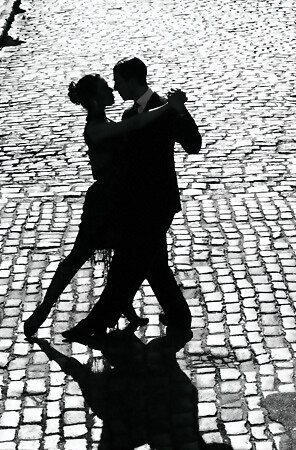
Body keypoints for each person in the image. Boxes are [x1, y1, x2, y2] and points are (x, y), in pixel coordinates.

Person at [24, 73, 188, 339]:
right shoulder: (96, 128)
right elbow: (134, 126)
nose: (112, 89)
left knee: (129, 257)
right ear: (94, 98)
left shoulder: (106, 121)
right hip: (104, 204)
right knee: (78, 257)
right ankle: (41, 312)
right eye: (105, 87)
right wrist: (169, 107)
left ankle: (125, 310)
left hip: (122, 199)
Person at [61, 57, 201, 348]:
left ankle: (96, 322)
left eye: (118, 81)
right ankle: (179, 316)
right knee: (154, 265)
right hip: (136, 203)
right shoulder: (128, 115)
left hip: (157, 203)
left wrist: (182, 110)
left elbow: (193, 144)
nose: (115, 86)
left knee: (126, 266)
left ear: (132, 81)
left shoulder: (165, 106)